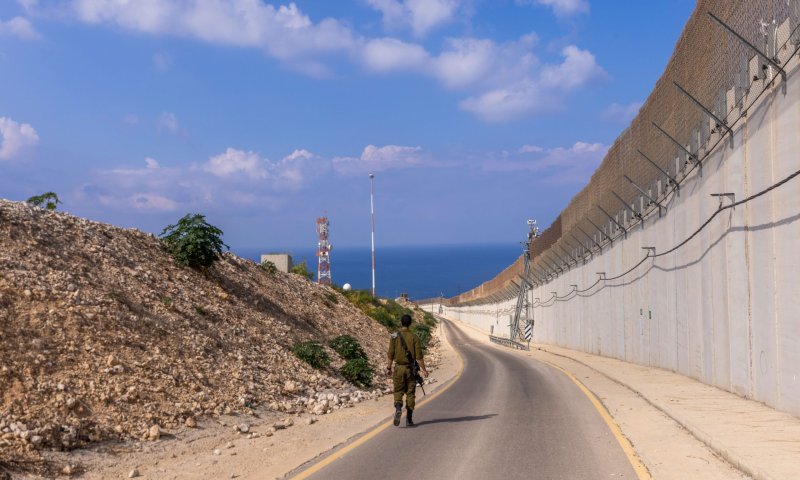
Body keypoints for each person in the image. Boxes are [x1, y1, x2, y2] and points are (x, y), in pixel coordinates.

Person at [386, 314, 429, 427]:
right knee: (410, 393)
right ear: (410, 324)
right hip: (410, 369)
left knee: (398, 390)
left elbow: (390, 354)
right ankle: (409, 419)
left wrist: (389, 368)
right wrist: (424, 370)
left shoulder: (394, 336)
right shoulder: (414, 337)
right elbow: (419, 357)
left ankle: (399, 408)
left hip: (399, 368)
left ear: (401, 322)